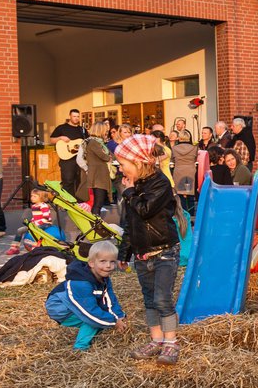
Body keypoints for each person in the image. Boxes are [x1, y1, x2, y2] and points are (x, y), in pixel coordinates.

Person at [117, 134, 182, 365]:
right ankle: (156, 340)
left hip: (164, 251)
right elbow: (130, 223)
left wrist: (129, 193)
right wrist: (124, 252)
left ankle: (171, 342)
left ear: (139, 162)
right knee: (149, 300)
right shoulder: (135, 187)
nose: (121, 170)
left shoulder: (160, 183)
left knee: (163, 299)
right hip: (142, 253)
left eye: (123, 164)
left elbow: (145, 210)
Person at [44, 240, 126, 351]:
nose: (108, 266)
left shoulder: (104, 278)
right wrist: (113, 322)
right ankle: (80, 348)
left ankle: (93, 331)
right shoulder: (81, 283)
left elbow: (110, 299)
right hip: (60, 308)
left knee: (101, 316)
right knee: (93, 319)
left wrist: (119, 316)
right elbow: (89, 312)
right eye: (103, 261)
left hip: (78, 302)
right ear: (91, 263)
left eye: (112, 262)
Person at [7, 187, 59, 255]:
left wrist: (35, 224)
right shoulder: (34, 206)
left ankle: (36, 246)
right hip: (36, 224)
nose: (32, 198)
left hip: (45, 224)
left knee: (34, 231)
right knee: (20, 230)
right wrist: (30, 222)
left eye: (35, 196)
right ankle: (14, 248)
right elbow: (35, 217)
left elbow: (46, 218)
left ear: (41, 197)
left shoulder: (44, 206)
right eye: (31, 196)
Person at [50, 110, 88, 196]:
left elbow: (87, 142)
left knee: (79, 181)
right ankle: (67, 200)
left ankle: (78, 201)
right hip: (66, 160)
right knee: (68, 181)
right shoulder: (61, 128)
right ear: (70, 116)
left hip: (80, 159)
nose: (76, 118)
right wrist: (60, 138)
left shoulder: (82, 130)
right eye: (74, 116)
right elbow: (52, 140)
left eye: (78, 116)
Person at [80, 120, 114, 214]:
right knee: (98, 202)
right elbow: (104, 156)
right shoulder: (94, 143)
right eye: (105, 130)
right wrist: (109, 158)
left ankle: (95, 219)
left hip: (100, 175)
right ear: (100, 130)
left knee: (99, 202)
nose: (106, 132)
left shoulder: (100, 143)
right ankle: (95, 220)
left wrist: (110, 157)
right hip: (97, 176)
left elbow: (111, 156)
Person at [171, 133, 199, 214]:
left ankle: (182, 214)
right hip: (191, 172)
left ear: (179, 138)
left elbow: (172, 160)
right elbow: (196, 159)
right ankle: (191, 213)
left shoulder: (174, 148)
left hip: (179, 172)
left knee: (180, 195)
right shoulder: (194, 148)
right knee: (190, 195)